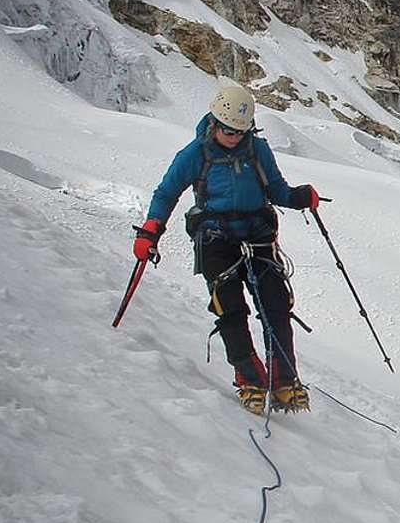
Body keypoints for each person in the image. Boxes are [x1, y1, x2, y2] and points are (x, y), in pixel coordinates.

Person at [134, 81, 322, 414]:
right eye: (228, 131)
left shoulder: (257, 149)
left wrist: (297, 197)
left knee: (275, 306)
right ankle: (249, 379)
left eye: (240, 131)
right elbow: (166, 194)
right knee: (230, 308)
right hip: (216, 239)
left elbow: (276, 190)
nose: (234, 137)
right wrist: (151, 230)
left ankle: (284, 381)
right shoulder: (194, 154)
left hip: (258, 235)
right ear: (215, 123)